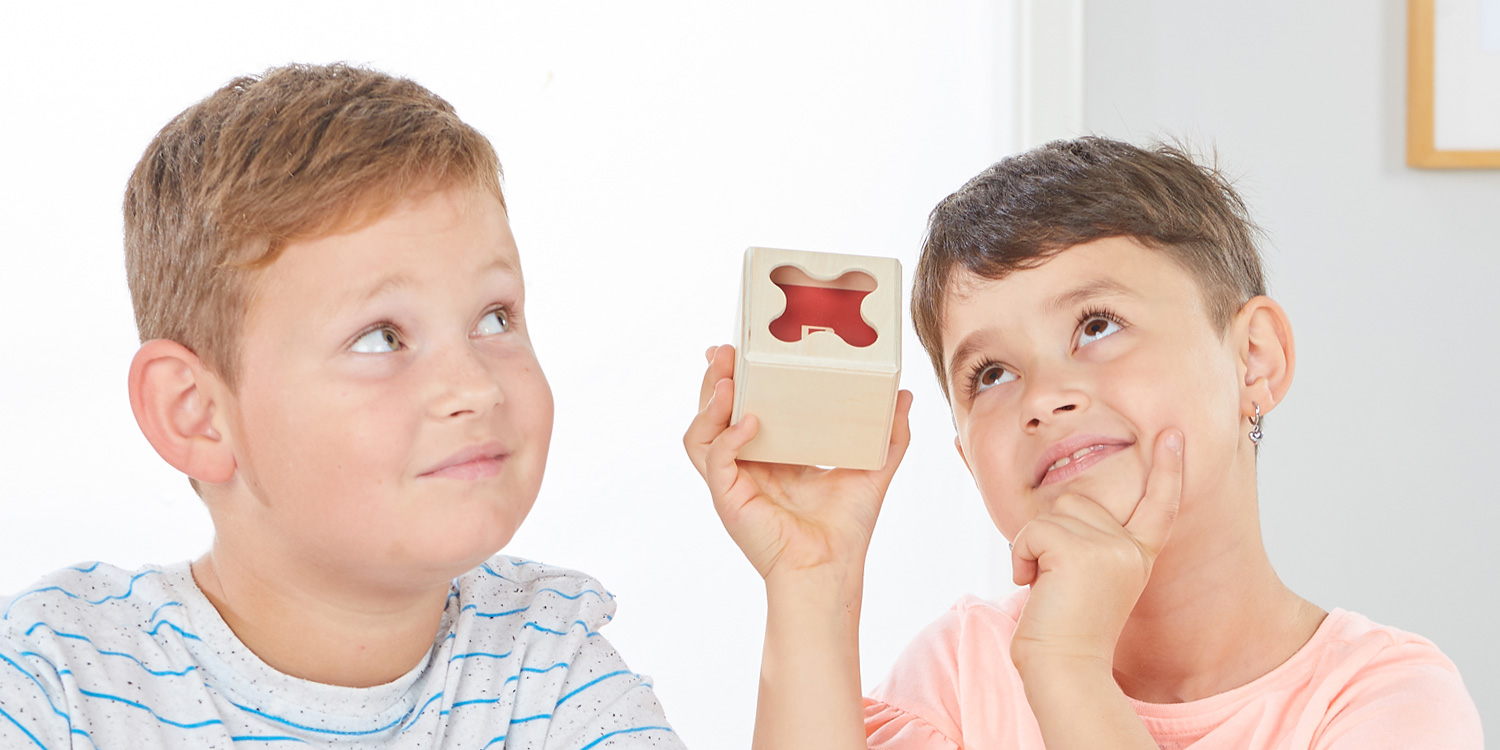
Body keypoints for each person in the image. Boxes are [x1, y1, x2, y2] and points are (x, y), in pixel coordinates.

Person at [684, 137, 1482, 748]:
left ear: (1254, 360)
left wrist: (1068, 666)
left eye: (1096, 325)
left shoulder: (1386, 699)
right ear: (967, 457)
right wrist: (811, 585)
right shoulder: (961, 671)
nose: (1044, 397)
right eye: (991, 373)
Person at [0, 63, 683, 749]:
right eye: (382, 337)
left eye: (495, 318)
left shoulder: (545, 665)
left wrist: (797, 578)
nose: (476, 386)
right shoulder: (57, 683)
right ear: (197, 413)